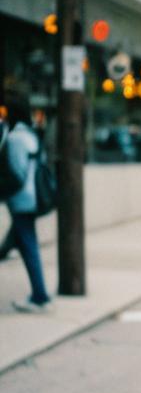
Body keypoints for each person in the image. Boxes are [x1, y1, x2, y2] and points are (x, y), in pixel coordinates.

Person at [2, 98, 52, 313]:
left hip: (21, 200)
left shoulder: (15, 139)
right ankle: (40, 295)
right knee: (21, 243)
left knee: (28, 246)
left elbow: (17, 174)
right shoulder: (31, 135)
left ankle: (40, 296)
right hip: (33, 198)